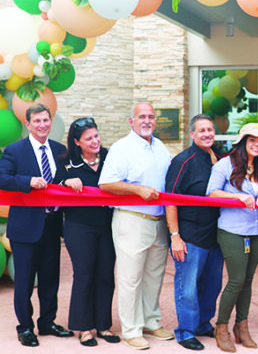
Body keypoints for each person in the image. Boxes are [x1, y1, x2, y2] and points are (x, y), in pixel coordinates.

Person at [99, 102, 174, 350]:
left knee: (154, 276)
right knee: (130, 278)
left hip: (158, 221)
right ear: (131, 121)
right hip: (132, 219)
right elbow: (106, 183)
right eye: (142, 116)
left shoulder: (160, 146)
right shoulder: (122, 148)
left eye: (151, 116)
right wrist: (137, 189)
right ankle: (131, 330)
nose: (147, 120)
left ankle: (151, 322)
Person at [0, 103, 73, 347]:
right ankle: (26, 327)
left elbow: (63, 180)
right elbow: (3, 178)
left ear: (51, 122)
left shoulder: (60, 150)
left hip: (52, 226)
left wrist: (72, 180)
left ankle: (47, 322)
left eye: (46, 120)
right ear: (28, 124)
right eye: (37, 121)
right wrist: (28, 181)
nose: (42, 125)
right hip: (25, 227)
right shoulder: (14, 150)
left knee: (50, 278)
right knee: (24, 281)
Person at [206, 123, 258, 352]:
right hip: (232, 230)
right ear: (242, 142)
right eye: (252, 140)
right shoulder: (224, 164)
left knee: (248, 280)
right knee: (236, 280)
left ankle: (242, 326)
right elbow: (211, 193)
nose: (257, 144)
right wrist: (238, 197)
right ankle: (221, 327)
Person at [53, 118, 119, 347]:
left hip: (107, 226)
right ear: (77, 142)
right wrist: (66, 182)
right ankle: (84, 327)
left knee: (105, 275)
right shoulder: (67, 163)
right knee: (84, 274)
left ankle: (103, 325)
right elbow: (54, 186)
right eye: (89, 138)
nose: (95, 141)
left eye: (96, 136)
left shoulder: (110, 158)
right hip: (79, 227)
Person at [164, 114, 223, 351]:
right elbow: (170, 200)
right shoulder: (183, 161)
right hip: (189, 235)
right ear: (192, 134)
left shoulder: (216, 157)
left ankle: (202, 323)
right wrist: (175, 236)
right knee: (187, 287)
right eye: (202, 130)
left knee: (211, 285)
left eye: (210, 129)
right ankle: (185, 331)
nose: (207, 134)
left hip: (214, 235)